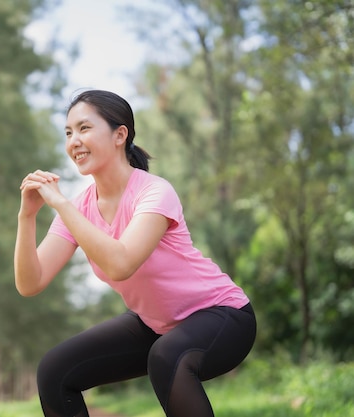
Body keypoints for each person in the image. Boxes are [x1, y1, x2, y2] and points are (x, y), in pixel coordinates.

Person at [14, 89, 256, 417]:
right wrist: (27, 217)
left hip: (223, 314)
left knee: (166, 357)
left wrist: (60, 203)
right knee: (55, 370)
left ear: (119, 134)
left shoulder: (154, 192)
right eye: (69, 133)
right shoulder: (78, 209)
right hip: (155, 322)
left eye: (84, 128)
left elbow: (121, 263)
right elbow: (31, 282)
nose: (74, 141)